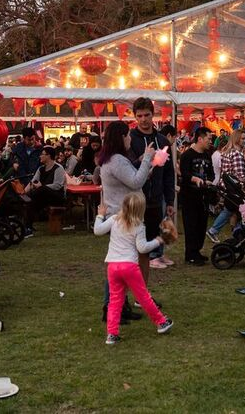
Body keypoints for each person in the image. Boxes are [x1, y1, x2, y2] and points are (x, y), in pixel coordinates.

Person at [95, 193, 173, 345]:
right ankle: (161, 322)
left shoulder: (114, 220)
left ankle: (112, 334)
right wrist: (158, 240)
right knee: (143, 296)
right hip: (129, 266)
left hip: (112, 266)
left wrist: (100, 215)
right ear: (140, 210)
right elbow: (142, 248)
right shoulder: (139, 226)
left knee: (115, 300)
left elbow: (97, 230)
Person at [98, 120, 155, 323]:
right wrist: (147, 159)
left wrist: (143, 166)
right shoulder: (117, 161)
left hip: (122, 215)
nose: (131, 139)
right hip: (123, 217)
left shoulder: (112, 159)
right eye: (128, 135)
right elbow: (135, 181)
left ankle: (120, 305)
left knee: (120, 262)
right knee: (120, 264)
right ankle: (112, 306)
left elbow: (132, 180)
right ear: (121, 137)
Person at [129, 97, 176, 272]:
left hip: (157, 196)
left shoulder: (162, 140)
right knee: (135, 238)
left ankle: (155, 257)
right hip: (136, 198)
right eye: (139, 116)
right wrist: (140, 160)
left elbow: (169, 173)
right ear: (134, 116)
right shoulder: (130, 139)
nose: (143, 119)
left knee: (156, 231)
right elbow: (126, 167)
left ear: (152, 114)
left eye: (146, 115)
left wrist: (170, 199)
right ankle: (136, 266)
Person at [179, 127, 215, 265]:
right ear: (200, 139)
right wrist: (195, 179)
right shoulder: (187, 155)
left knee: (202, 224)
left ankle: (197, 251)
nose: (210, 141)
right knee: (191, 225)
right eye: (208, 139)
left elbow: (211, 173)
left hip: (203, 196)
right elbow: (185, 173)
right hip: (189, 196)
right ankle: (191, 254)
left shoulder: (207, 155)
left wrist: (209, 180)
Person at [24, 146, 67, 234]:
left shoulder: (58, 168)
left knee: (41, 191)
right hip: (43, 196)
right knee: (31, 200)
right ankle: (27, 226)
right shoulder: (41, 169)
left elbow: (57, 185)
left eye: (42, 154)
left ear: (48, 156)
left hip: (56, 196)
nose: (40, 156)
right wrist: (24, 192)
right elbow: (33, 182)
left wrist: (42, 186)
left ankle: (28, 227)